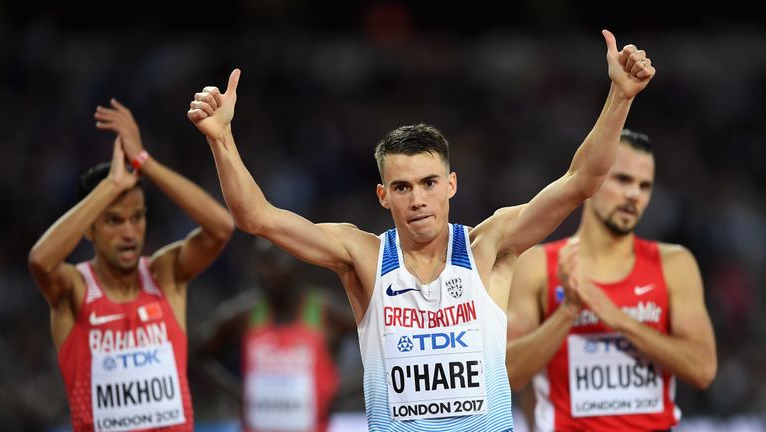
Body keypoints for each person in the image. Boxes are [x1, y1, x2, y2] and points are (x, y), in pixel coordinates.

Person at [187, 30, 654, 431]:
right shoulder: (363, 256)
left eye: (429, 183)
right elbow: (256, 217)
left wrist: (620, 98)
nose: (418, 199)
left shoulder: (489, 246)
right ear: (383, 195)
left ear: (451, 184)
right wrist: (221, 139)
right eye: (402, 187)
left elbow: (581, 183)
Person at [28, 99, 235, 431]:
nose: (129, 232)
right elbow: (40, 260)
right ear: (89, 229)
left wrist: (143, 160)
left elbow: (221, 226)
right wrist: (111, 185)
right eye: (113, 220)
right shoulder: (74, 288)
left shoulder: (164, 274)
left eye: (136, 218)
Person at [505, 130, 717, 431]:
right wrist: (568, 312)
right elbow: (506, 375)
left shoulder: (674, 264)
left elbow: (703, 368)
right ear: (593, 180)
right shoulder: (538, 266)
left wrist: (621, 321)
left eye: (644, 186)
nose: (634, 195)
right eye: (622, 180)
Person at [193, 239, 357, 432]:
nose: (266, 271)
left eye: (274, 260)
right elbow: (195, 355)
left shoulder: (327, 313)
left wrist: (341, 395)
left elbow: (382, 348)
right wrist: (234, 394)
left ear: (298, 261)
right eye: (261, 262)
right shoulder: (245, 315)